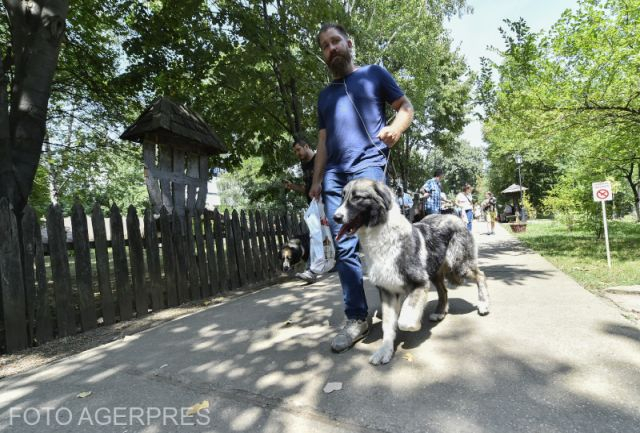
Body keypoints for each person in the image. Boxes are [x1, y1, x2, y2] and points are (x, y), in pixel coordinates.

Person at [308, 23, 414, 353]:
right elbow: (323, 142)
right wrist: (315, 180)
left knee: (379, 236)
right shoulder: (324, 97)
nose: (331, 49)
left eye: (335, 41)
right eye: (325, 46)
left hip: (368, 164)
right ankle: (357, 317)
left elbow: (405, 107)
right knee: (343, 245)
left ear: (349, 43)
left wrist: (396, 129)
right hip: (335, 175)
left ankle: (398, 294)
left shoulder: (374, 74)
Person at [283, 136, 317, 280]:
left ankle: (312, 270)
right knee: (316, 236)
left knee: (319, 236)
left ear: (307, 146)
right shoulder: (304, 165)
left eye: (298, 150)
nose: (297, 154)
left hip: (325, 202)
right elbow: (306, 188)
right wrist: (292, 187)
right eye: (295, 152)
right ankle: (313, 270)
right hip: (313, 205)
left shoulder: (318, 160)